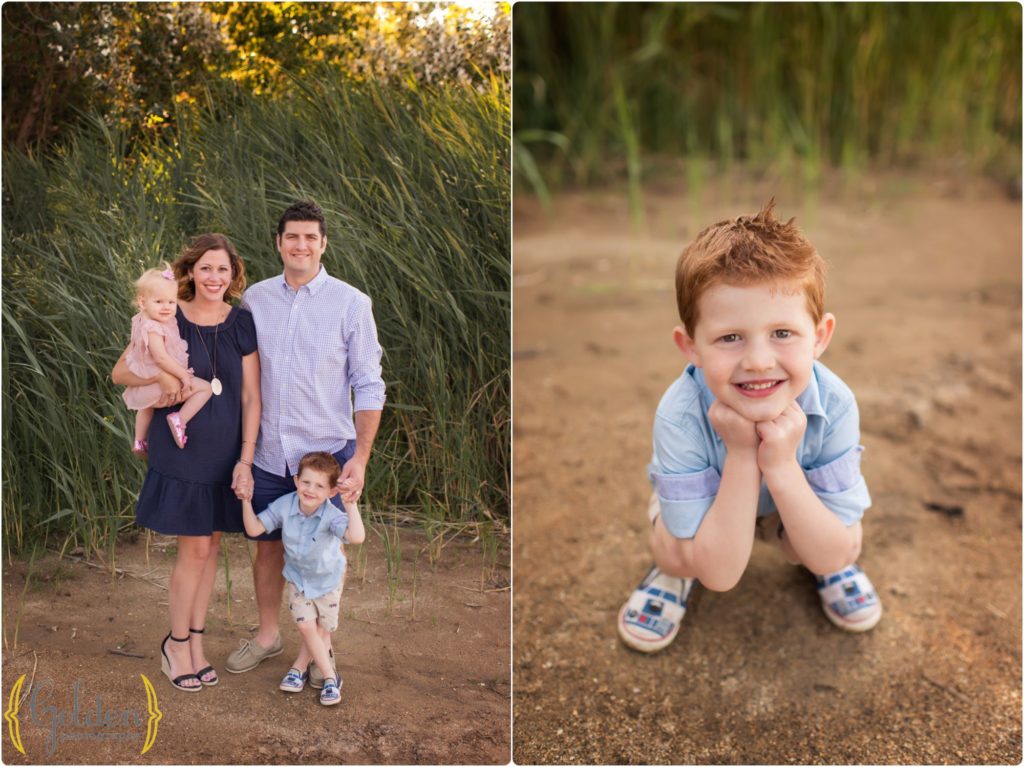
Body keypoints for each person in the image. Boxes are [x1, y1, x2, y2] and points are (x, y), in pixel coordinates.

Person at [617, 200, 882, 654]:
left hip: (792, 509)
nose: (758, 361)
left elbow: (832, 546)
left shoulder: (835, 404)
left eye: (783, 333)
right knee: (679, 553)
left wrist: (779, 466)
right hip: (711, 517)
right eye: (729, 337)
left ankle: (823, 568)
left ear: (819, 336)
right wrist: (742, 453)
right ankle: (673, 578)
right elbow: (720, 575)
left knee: (840, 546)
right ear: (691, 346)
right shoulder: (678, 415)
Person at [226, 200, 385, 690]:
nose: (301, 245)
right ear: (279, 242)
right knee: (269, 550)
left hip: (325, 458)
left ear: (323, 244)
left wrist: (359, 457)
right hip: (273, 454)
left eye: (310, 237)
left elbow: (369, 384)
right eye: (292, 237)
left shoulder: (351, 303)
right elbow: (243, 376)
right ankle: (270, 634)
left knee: (324, 556)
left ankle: (320, 645)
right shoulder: (254, 299)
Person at [112, 233, 260, 690]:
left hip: (226, 450)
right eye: (206, 268)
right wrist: (158, 374)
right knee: (193, 548)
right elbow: (119, 373)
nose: (214, 277)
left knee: (212, 548)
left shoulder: (242, 323)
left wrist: (247, 459)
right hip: (182, 446)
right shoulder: (165, 316)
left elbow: (253, 397)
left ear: (233, 274)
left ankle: (196, 641)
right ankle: (175, 645)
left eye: (223, 269)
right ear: (190, 272)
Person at [241, 451, 366, 706]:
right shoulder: (285, 505)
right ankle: (331, 678)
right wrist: (245, 500)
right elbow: (254, 529)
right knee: (306, 626)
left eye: (320, 486)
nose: (310, 490)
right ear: (296, 480)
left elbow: (356, 537)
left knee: (321, 627)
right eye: (306, 482)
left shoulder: (331, 515)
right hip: (299, 579)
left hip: (329, 582)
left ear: (331, 492)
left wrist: (350, 505)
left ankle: (299, 666)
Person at [122, 263, 213, 457]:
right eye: (159, 302)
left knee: (146, 408)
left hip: (145, 385)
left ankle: (139, 440)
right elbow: (161, 358)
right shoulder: (154, 328)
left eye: (171, 302)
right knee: (205, 388)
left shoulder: (140, 320)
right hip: (159, 384)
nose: (166, 307)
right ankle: (180, 419)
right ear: (142, 302)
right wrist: (183, 375)